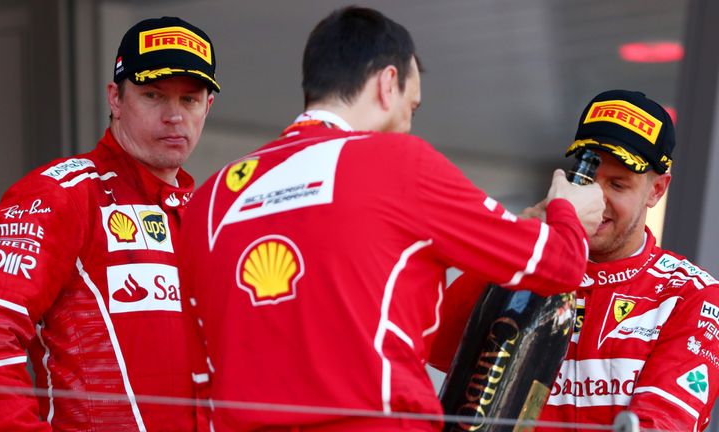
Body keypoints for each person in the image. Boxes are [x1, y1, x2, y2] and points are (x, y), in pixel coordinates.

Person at [178, 6, 603, 431]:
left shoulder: (209, 197)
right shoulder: (397, 163)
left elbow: (198, 375)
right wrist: (569, 210)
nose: (407, 126)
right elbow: (558, 264)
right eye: (411, 109)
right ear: (388, 84)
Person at [0, 16, 219, 431]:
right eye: (152, 95)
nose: (174, 116)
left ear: (208, 107)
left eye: (190, 100)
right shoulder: (64, 193)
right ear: (115, 98)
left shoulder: (210, 214)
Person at [430, 90, 719, 431]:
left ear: (656, 190)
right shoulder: (534, 266)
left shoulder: (691, 295)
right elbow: (428, 339)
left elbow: (663, 424)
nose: (595, 198)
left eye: (618, 184)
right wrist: (524, 241)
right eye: (586, 178)